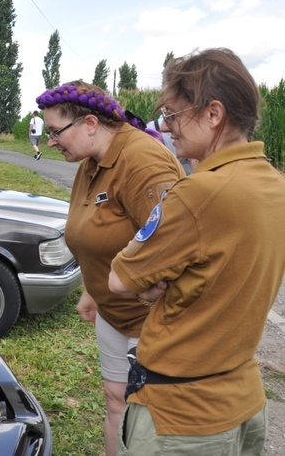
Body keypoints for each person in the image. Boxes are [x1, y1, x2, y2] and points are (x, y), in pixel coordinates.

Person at [108, 48, 285, 455]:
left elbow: (120, 277)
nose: (168, 128)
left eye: (173, 114)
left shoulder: (199, 194)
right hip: (243, 398)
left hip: (182, 418)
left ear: (213, 114)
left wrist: (150, 285)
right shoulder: (273, 183)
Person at [35, 81, 185, 456]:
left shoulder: (142, 161)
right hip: (113, 314)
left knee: (149, 419)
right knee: (116, 401)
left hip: (152, 323)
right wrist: (93, 288)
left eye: (55, 131)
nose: (51, 141)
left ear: (89, 123)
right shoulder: (91, 163)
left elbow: (174, 245)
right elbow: (98, 234)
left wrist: (136, 288)